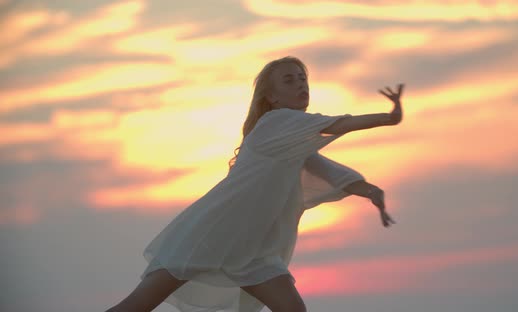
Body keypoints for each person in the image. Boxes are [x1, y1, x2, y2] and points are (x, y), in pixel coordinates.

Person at [105, 56, 403, 312]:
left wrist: (369, 190)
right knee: (136, 307)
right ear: (272, 97)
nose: (301, 84)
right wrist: (388, 118)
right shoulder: (276, 123)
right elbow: (336, 124)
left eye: (303, 79)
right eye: (289, 80)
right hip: (212, 232)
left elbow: (328, 170)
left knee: (292, 309)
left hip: (253, 249)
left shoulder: (293, 141)